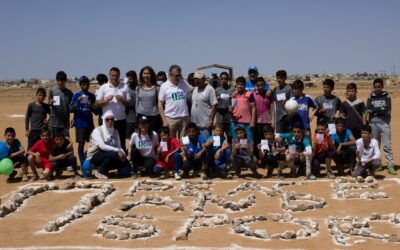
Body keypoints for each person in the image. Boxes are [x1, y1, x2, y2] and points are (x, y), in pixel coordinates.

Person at [96, 67, 132, 151]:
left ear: (119, 76)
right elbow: (97, 103)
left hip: (121, 119)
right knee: (107, 141)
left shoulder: (124, 87)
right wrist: (106, 100)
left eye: (116, 76)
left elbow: (129, 102)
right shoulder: (104, 87)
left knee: (121, 141)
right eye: (112, 75)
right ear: (109, 75)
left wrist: (122, 100)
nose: (114, 77)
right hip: (107, 120)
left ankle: (122, 161)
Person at [89, 110, 131, 179]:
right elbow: (102, 146)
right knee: (113, 154)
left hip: (110, 155)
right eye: (107, 119)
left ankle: (106, 169)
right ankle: (100, 171)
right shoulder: (97, 131)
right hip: (95, 155)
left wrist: (123, 154)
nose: (110, 121)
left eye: (112, 119)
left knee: (124, 160)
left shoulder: (115, 131)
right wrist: (117, 150)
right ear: (104, 120)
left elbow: (119, 146)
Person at [367, 78, 396, 175]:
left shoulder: (387, 97)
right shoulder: (370, 97)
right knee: (375, 145)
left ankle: (390, 165)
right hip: (373, 124)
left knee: (387, 146)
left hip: (384, 124)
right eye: (375, 87)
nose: (377, 88)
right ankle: (377, 165)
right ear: (373, 87)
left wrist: (375, 111)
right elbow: (369, 110)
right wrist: (379, 110)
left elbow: (387, 110)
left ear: (382, 87)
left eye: (379, 87)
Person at [158, 65, 193, 139]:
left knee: (184, 141)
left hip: (184, 118)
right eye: (176, 76)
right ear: (170, 75)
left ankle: (183, 150)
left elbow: (192, 89)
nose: (178, 78)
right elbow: (160, 105)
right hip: (171, 119)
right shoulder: (164, 86)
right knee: (170, 141)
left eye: (179, 75)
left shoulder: (183, 83)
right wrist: (164, 120)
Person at [70, 76, 97, 165]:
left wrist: (90, 105)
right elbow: (70, 109)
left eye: (87, 84)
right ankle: (82, 163)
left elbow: (96, 111)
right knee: (81, 144)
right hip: (80, 124)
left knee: (94, 143)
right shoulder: (76, 95)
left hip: (89, 124)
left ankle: (88, 158)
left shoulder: (92, 96)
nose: (85, 86)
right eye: (83, 84)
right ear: (80, 85)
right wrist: (77, 102)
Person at [191, 71, 218, 139]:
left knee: (206, 145)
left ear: (204, 79)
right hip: (195, 125)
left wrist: (211, 121)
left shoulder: (209, 89)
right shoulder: (195, 90)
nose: (197, 80)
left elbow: (214, 105)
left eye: (199, 78)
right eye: (195, 79)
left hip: (205, 125)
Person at [48, 71, 73, 138]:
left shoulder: (69, 93)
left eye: (62, 80)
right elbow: (49, 103)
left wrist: (74, 118)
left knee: (66, 142)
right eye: (58, 80)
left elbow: (72, 107)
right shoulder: (52, 91)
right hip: (53, 122)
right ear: (56, 80)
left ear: (65, 81)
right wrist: (50, 103)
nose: (60, 82)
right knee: (52, 142)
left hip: (64, 123)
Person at [136, 66, 160, 134]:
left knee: (154, 136)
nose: (146, 75)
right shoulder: (138, 88)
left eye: (148, 73)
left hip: (153, 116)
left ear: (152, 75)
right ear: (141, 75)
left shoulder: (157, 88)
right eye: (144, 73)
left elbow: (159, 103)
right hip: (141, 115)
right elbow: (136, 103)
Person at [230, 76, 255, 142]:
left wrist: (252, 121)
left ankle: (249, 152)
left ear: (244, 85)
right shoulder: (233, 95)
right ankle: (236, 152)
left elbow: (253, 108)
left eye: (241, 84)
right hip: (235, 122)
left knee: (249, 140)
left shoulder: (249, 94)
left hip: (247, 122)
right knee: (236, 140)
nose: (240, 86)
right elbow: (231, 108)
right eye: (238, 84)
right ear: (236, 85)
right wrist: (232, 97)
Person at [253, 77, 274, 152]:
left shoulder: (269, 95)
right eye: (258, 85)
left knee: (266, 140)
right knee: (258, 139)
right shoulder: (254, 94)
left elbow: (272, 109)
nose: (260, 87)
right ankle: (259, 156)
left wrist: (273, 122)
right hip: (257, 122)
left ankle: (265, 154)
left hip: (267, 122)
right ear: (256, 86)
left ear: (265, 85)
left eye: (262, 85)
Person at [215, 72, 234, 142]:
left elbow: (235, 101)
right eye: (222, 79)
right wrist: (216, 98)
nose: (224, 80)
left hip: (229, 117)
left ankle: (229, 151)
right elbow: (213, 103)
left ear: (228, 79)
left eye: (225, 79)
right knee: (218, 137)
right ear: (220, 79)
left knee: (230, 137)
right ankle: (216, 151)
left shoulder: (232, 90)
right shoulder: (217, 90)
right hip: (219, 117)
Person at [273, 70, 292, 135]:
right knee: (279, 137)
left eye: (281, 78)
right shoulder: (275, 89)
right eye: (278, 78)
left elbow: (293, 101)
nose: (279, 80)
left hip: (288, 117)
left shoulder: (289, 88)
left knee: (289, 137)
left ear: (285, 78)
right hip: (279, 118)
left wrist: (287, 102)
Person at [125, 70, 138, 140]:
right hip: (129, 119)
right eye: (128, 79)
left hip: (139, 119)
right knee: (130, 140)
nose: (129, 81)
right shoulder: (125, 89)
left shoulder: (139, 88)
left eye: (131, 79)